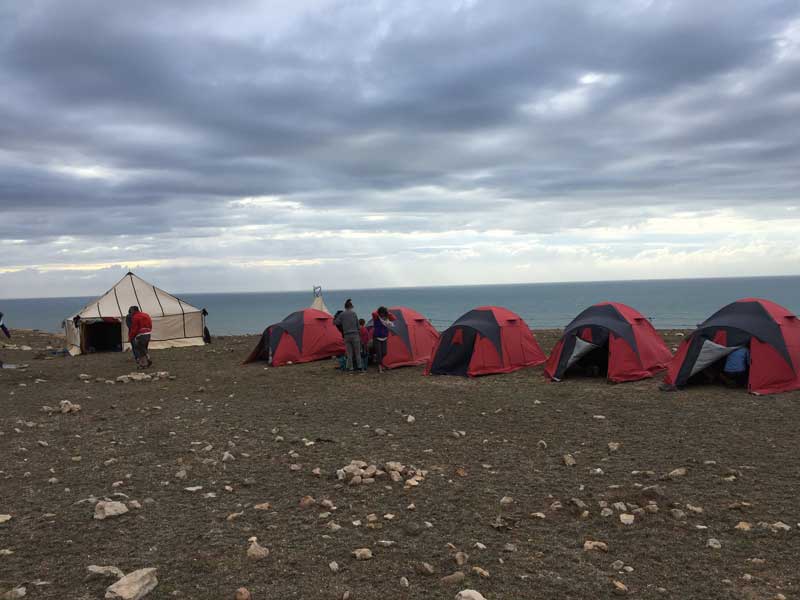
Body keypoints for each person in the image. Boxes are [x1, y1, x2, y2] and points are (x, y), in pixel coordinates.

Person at [333, 299, 363, 373]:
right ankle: (359, 368)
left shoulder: (342, 314)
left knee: (349, 354)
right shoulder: (354, 314)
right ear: (351, 306)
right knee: (357, 353)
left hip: (346, 335)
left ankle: (351, 369)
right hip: (355, 335)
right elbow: (358, 326)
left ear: (345, 307)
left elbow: (335, 322)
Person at [371, 306, 396, 374]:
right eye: (381, 313)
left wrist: (388, 313)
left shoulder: (387, 319)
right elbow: (373, 313)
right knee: (379, 353)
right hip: (377, 338)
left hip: (384, 337)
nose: (382, 315)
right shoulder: (376, 318)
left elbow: (394, 318)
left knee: (384, 352)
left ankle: (379, 362)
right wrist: (379, 311)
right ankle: (380, 368)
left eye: (383, 313)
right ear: (379, 313)